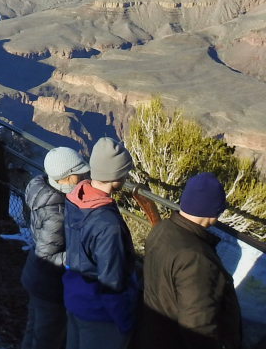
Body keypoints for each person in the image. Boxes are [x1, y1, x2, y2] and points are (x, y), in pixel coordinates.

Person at [136, 172, 242, 349]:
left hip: (152, 333)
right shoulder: (197, 259)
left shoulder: (161, 229)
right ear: (214, 212)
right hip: (173, 341)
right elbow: (198, 327)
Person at [63, 137, 138, 349]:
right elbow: (111, 281)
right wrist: (126, 322)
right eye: (125, 171)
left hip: (75, 297)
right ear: (115, 176)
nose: (127, 175)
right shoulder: (108, 224)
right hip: (99, 313)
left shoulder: (75, 198)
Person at [21, 147, 91, 349]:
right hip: (50, 287)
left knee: (33, 330)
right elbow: (48, 256)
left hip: (35, 277)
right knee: (48, 340)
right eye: (80, 173)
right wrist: (83, 256)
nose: (84, 176)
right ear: (66, 178)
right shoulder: (57, 213)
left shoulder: (43, 192)